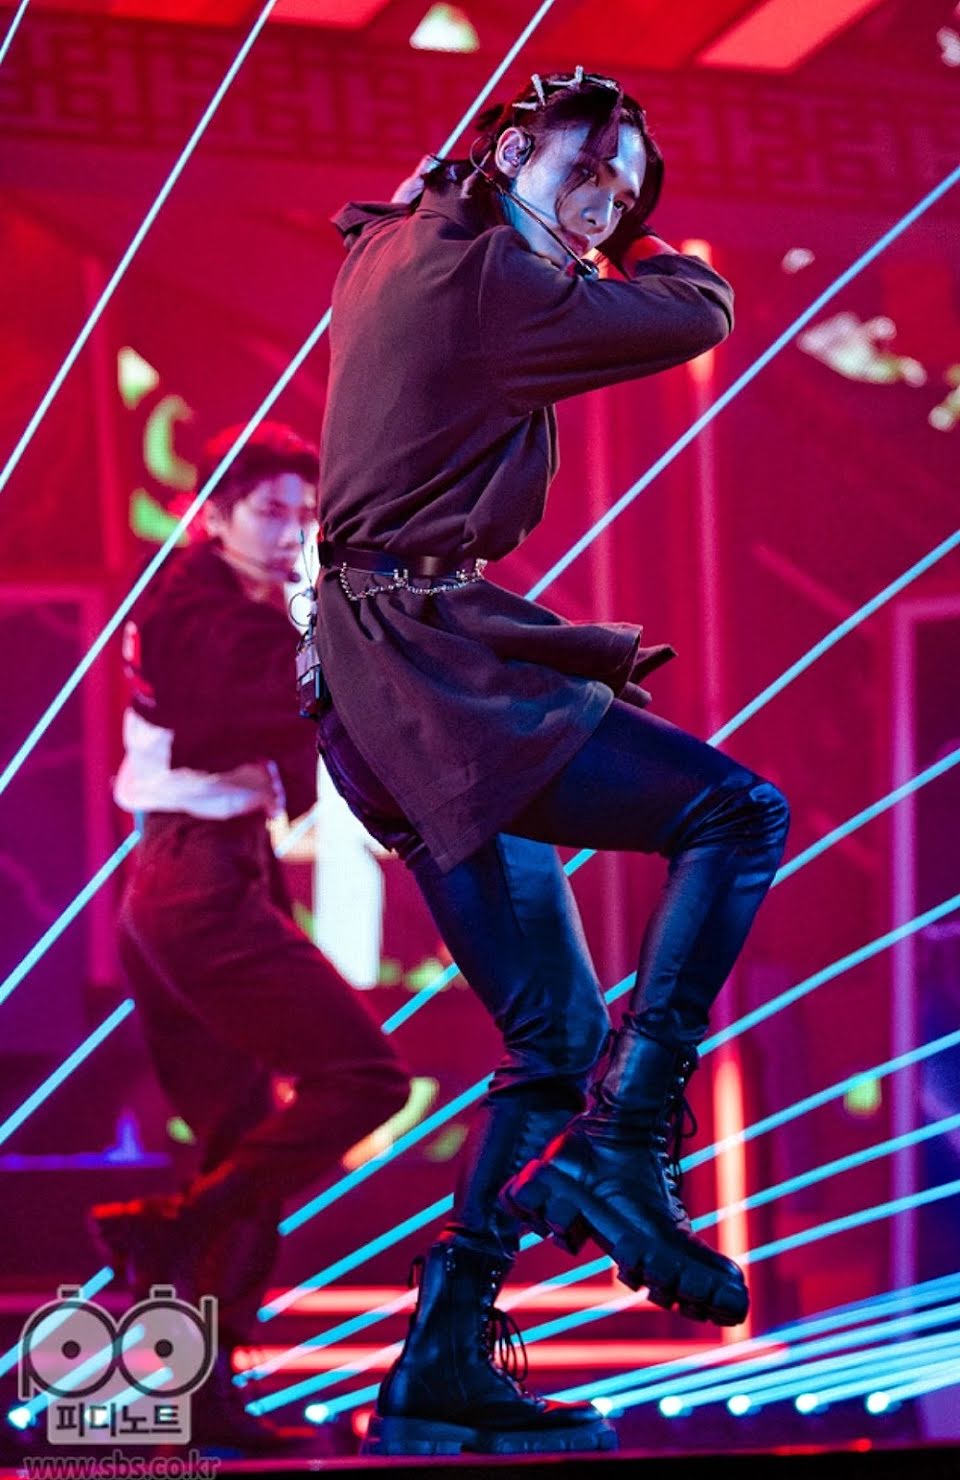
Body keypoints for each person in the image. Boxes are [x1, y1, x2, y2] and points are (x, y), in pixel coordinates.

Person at [309, 69, 791, 1456]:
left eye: (624, 194)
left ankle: (439, 1362)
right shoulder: (495, 284)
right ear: (516, 148)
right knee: (736, 814)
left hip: (390, 680)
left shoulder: (412, 237)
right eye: (589, 175)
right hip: (430, 677)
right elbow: (699, 311)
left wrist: (523, 199)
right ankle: (626, 1143)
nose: (604, 208)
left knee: (551, 1039)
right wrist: (644, 245)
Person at [88, 422, 410, 1449]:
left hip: (197, 874)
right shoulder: (197, 606)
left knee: (243, 1140)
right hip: (195, 882)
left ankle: (197, 1393)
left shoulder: (242, 606)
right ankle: (176, 1227)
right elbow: (265, 699)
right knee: (365, 1079)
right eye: (271, 513)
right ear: (211, 516)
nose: (291, 535)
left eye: (305, 517)